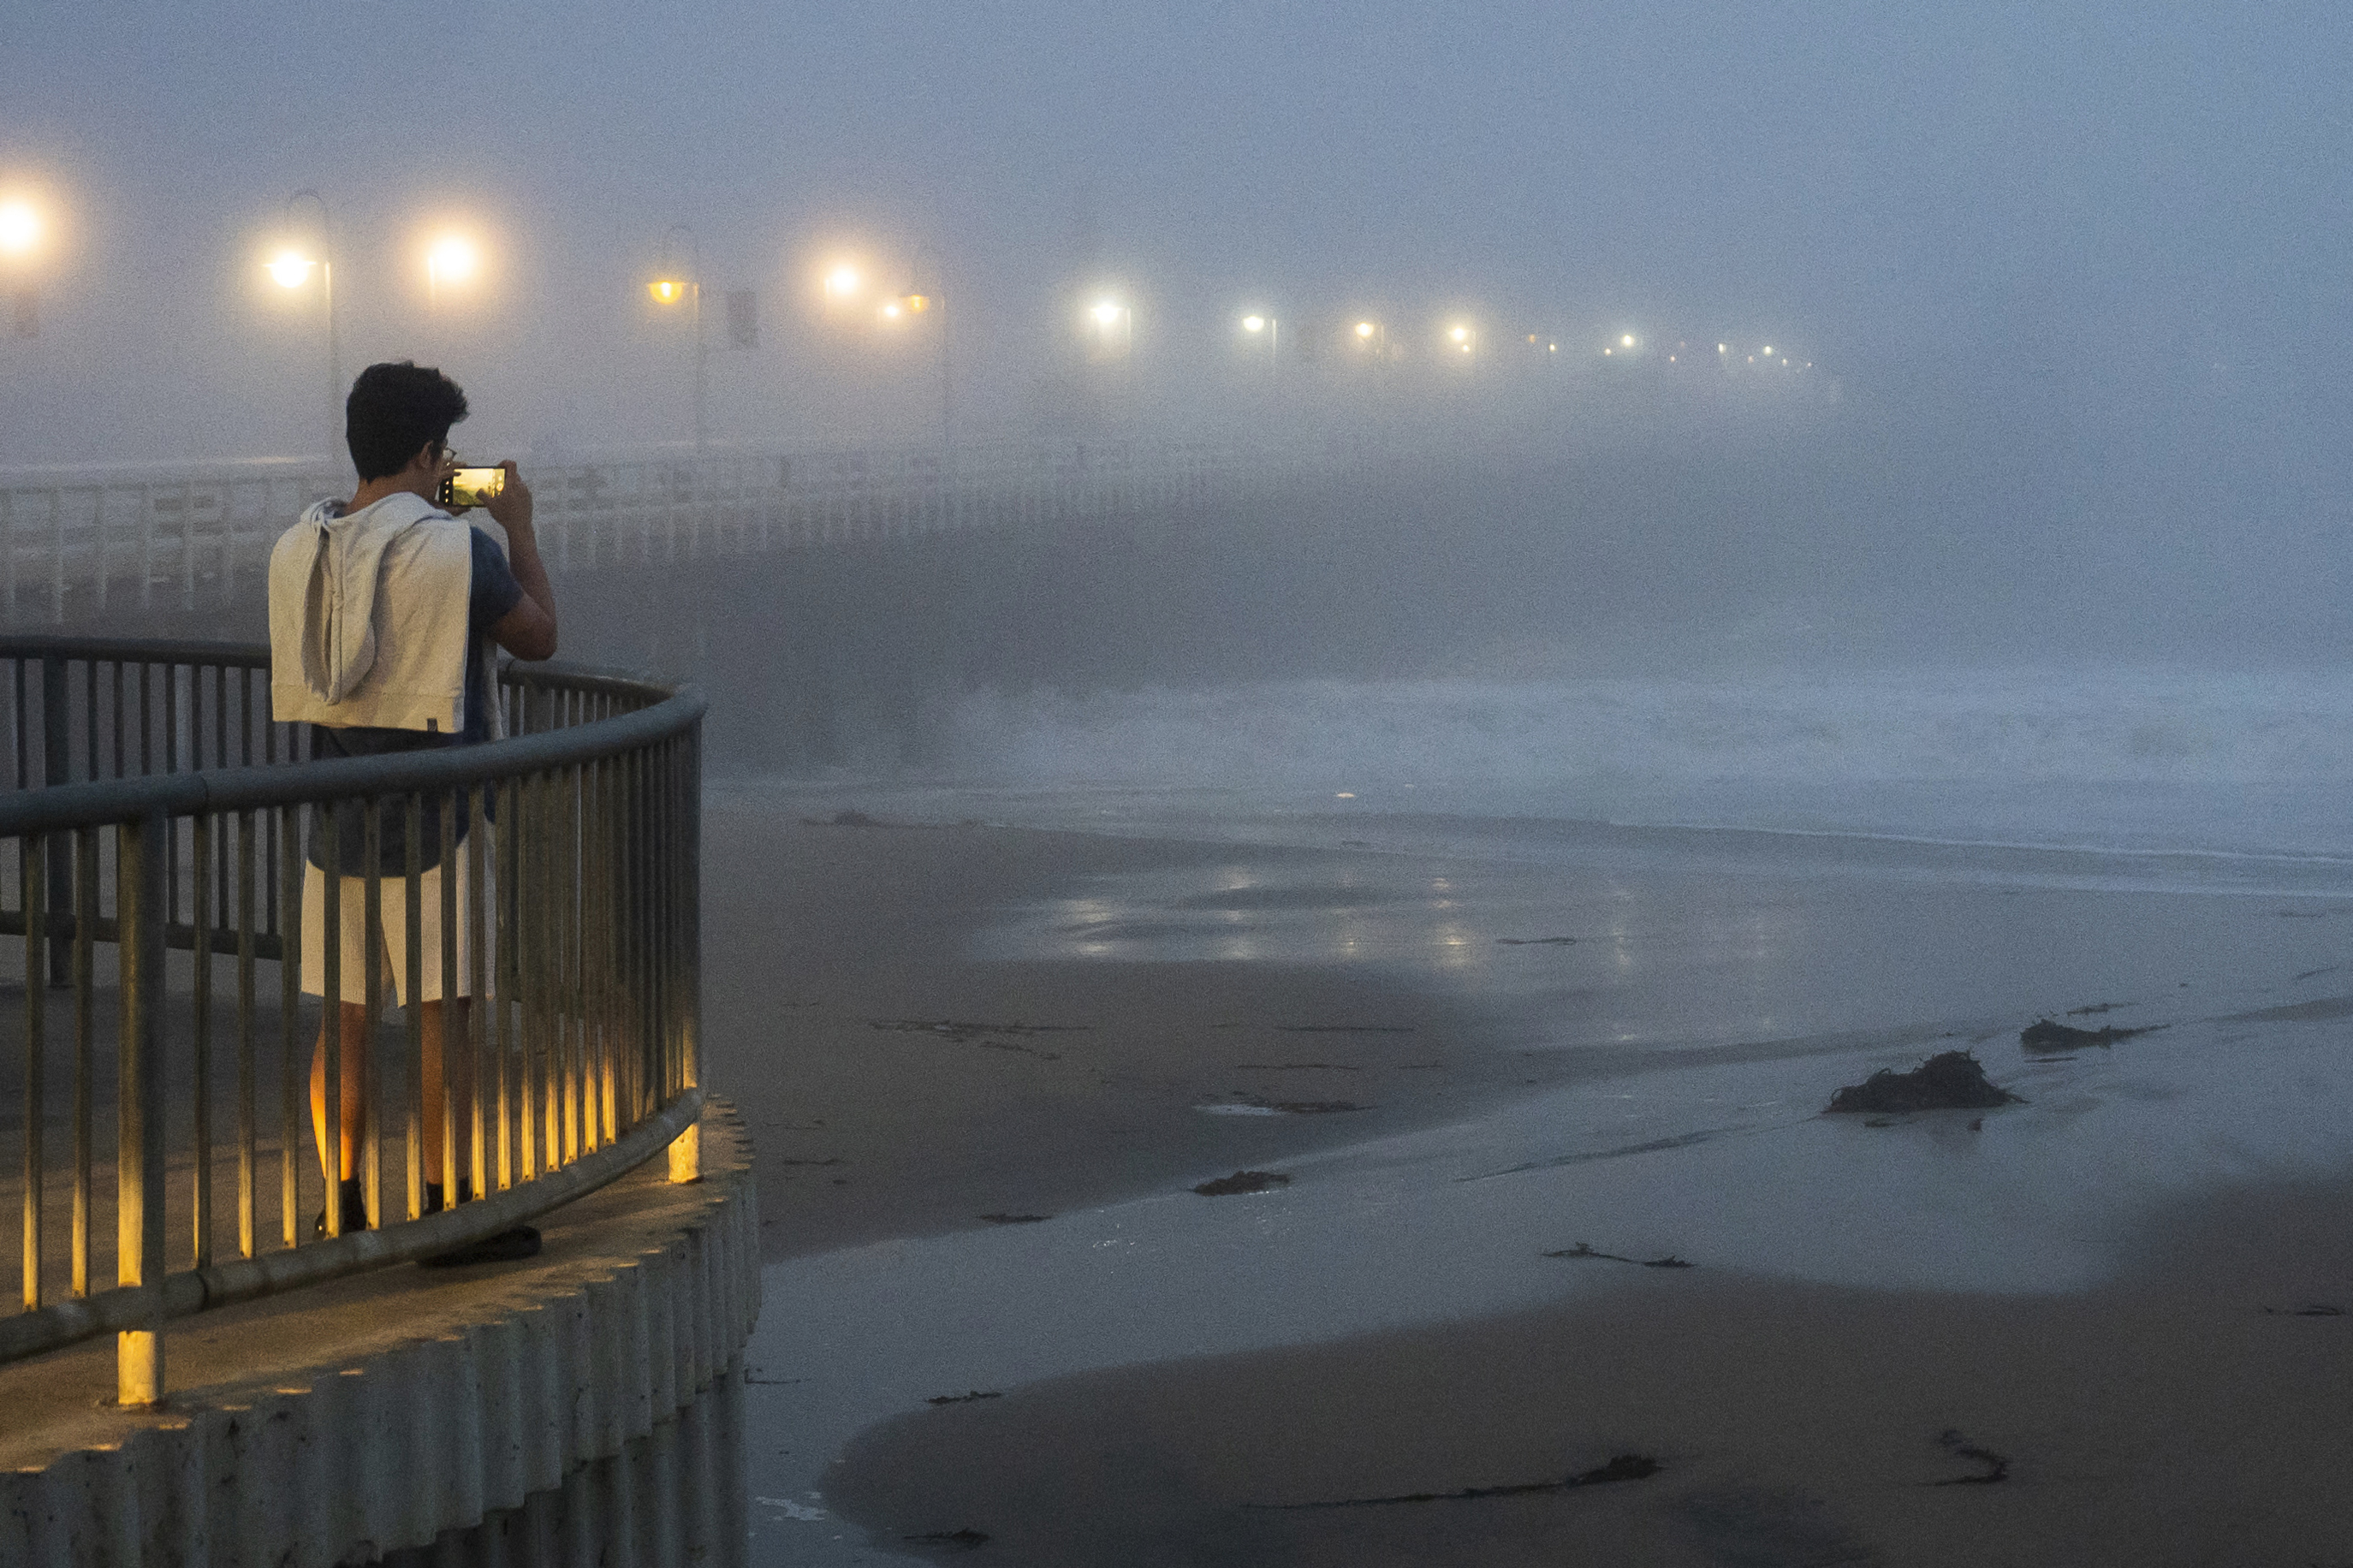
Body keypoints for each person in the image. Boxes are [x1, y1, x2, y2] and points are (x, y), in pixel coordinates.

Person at [266, 360, 557, 1255]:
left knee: (346, 1014)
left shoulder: (297, 545)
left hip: (335, 815)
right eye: (446, 456)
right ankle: (448, 1210)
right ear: (428, 450)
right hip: (445, 815)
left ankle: (341, 1203)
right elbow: (539, 636)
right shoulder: (456, 549)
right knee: (444, 1011)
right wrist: (519, 526)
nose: (447, 471)